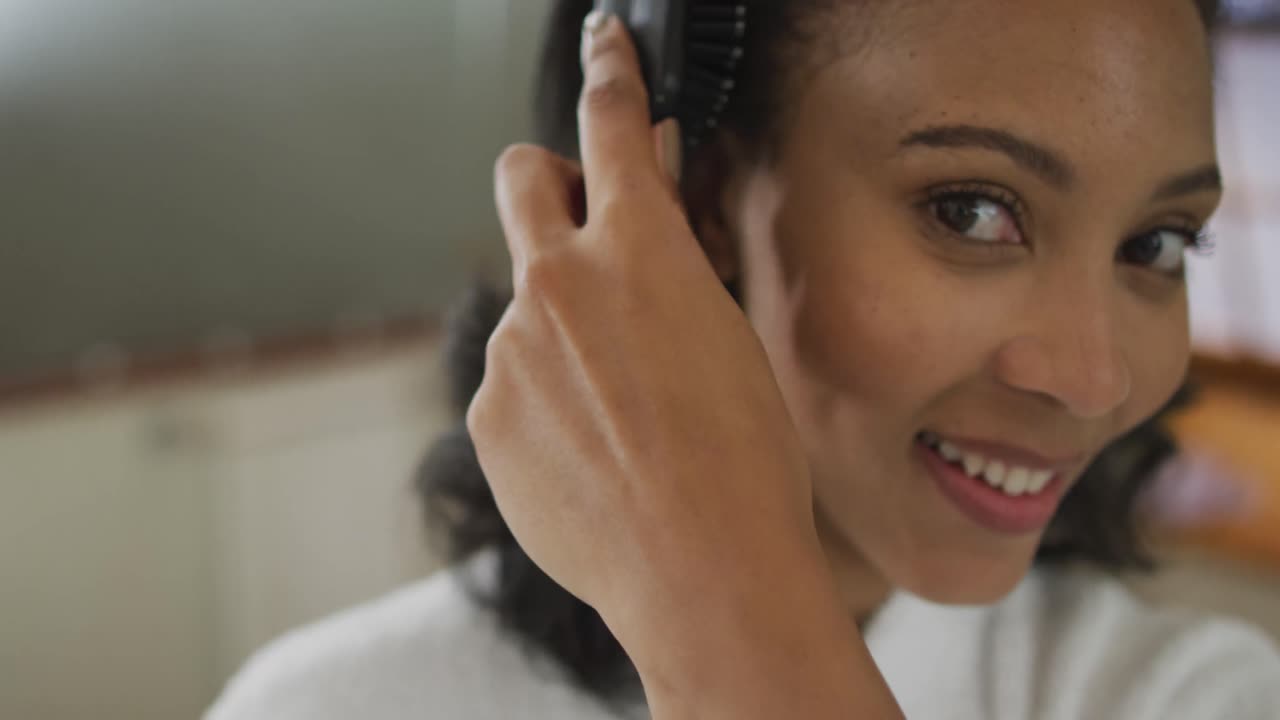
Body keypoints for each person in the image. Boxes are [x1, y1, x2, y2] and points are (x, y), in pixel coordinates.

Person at [206, 0, 1280, 718]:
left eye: (1155, 244)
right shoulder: (325, 705)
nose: (1096, 379)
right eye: (970, 210)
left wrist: (725, 640)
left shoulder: (1189, 695)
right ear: (694, 198)